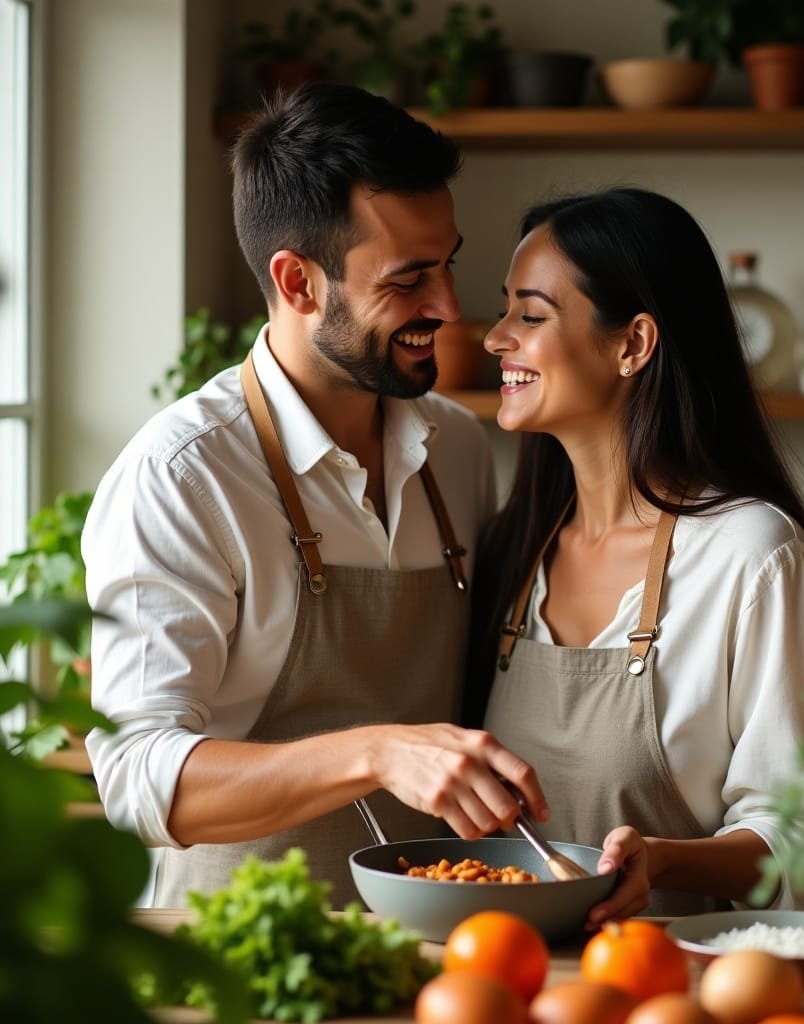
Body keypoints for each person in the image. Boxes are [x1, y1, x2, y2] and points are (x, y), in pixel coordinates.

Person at [83, 82, 550, 908]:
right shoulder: (184, 478)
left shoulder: (460, 446)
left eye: (448, 264)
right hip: (239, 955)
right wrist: (375, 754)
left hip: (446, 944)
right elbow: (137, 778)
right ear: (297, 282)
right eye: (408, 280)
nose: (447, 306)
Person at [470, 187, 804, 921]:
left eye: (531, 313)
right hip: (503, 976)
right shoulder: (514, 549)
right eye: (505, 308)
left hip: (674, 987)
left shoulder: (753, 556)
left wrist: (665, 857)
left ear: (633, 344)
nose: (495, 337)